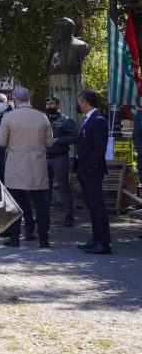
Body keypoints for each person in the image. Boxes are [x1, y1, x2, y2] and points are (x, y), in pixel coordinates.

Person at [0, 86, 54, 248]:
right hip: (37, 164)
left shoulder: (9, 117)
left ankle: (15, 236)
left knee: (15, 202)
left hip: (16, 164)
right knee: (41, 202)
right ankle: (44, 238)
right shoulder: (42, 116)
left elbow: (0, 142)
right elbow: (49, 142)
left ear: (14, 100)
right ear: (29, 98)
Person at [75, 90, 111, 254]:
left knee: (97, 206)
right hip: (84, 169)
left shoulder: (97, 120)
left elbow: (99, 148)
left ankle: (103, 242)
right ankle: (96, 238)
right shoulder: (88, 119)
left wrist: (89, 166)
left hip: (92, 170)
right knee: (92, 205)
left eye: (80, 102)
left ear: (86, 102)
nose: (79, 105)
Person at [44, 94, 78, 228]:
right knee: (46, 188)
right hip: (45, 158)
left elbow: (75, 137)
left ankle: (69, 216)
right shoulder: (43, 120)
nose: (49, 106)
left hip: (60, 158)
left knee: (64, 187)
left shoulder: (66, 120)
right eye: (47, 104)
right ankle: (44, 216)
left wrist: (59, 140)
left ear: (58, 105)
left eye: (52, 104)